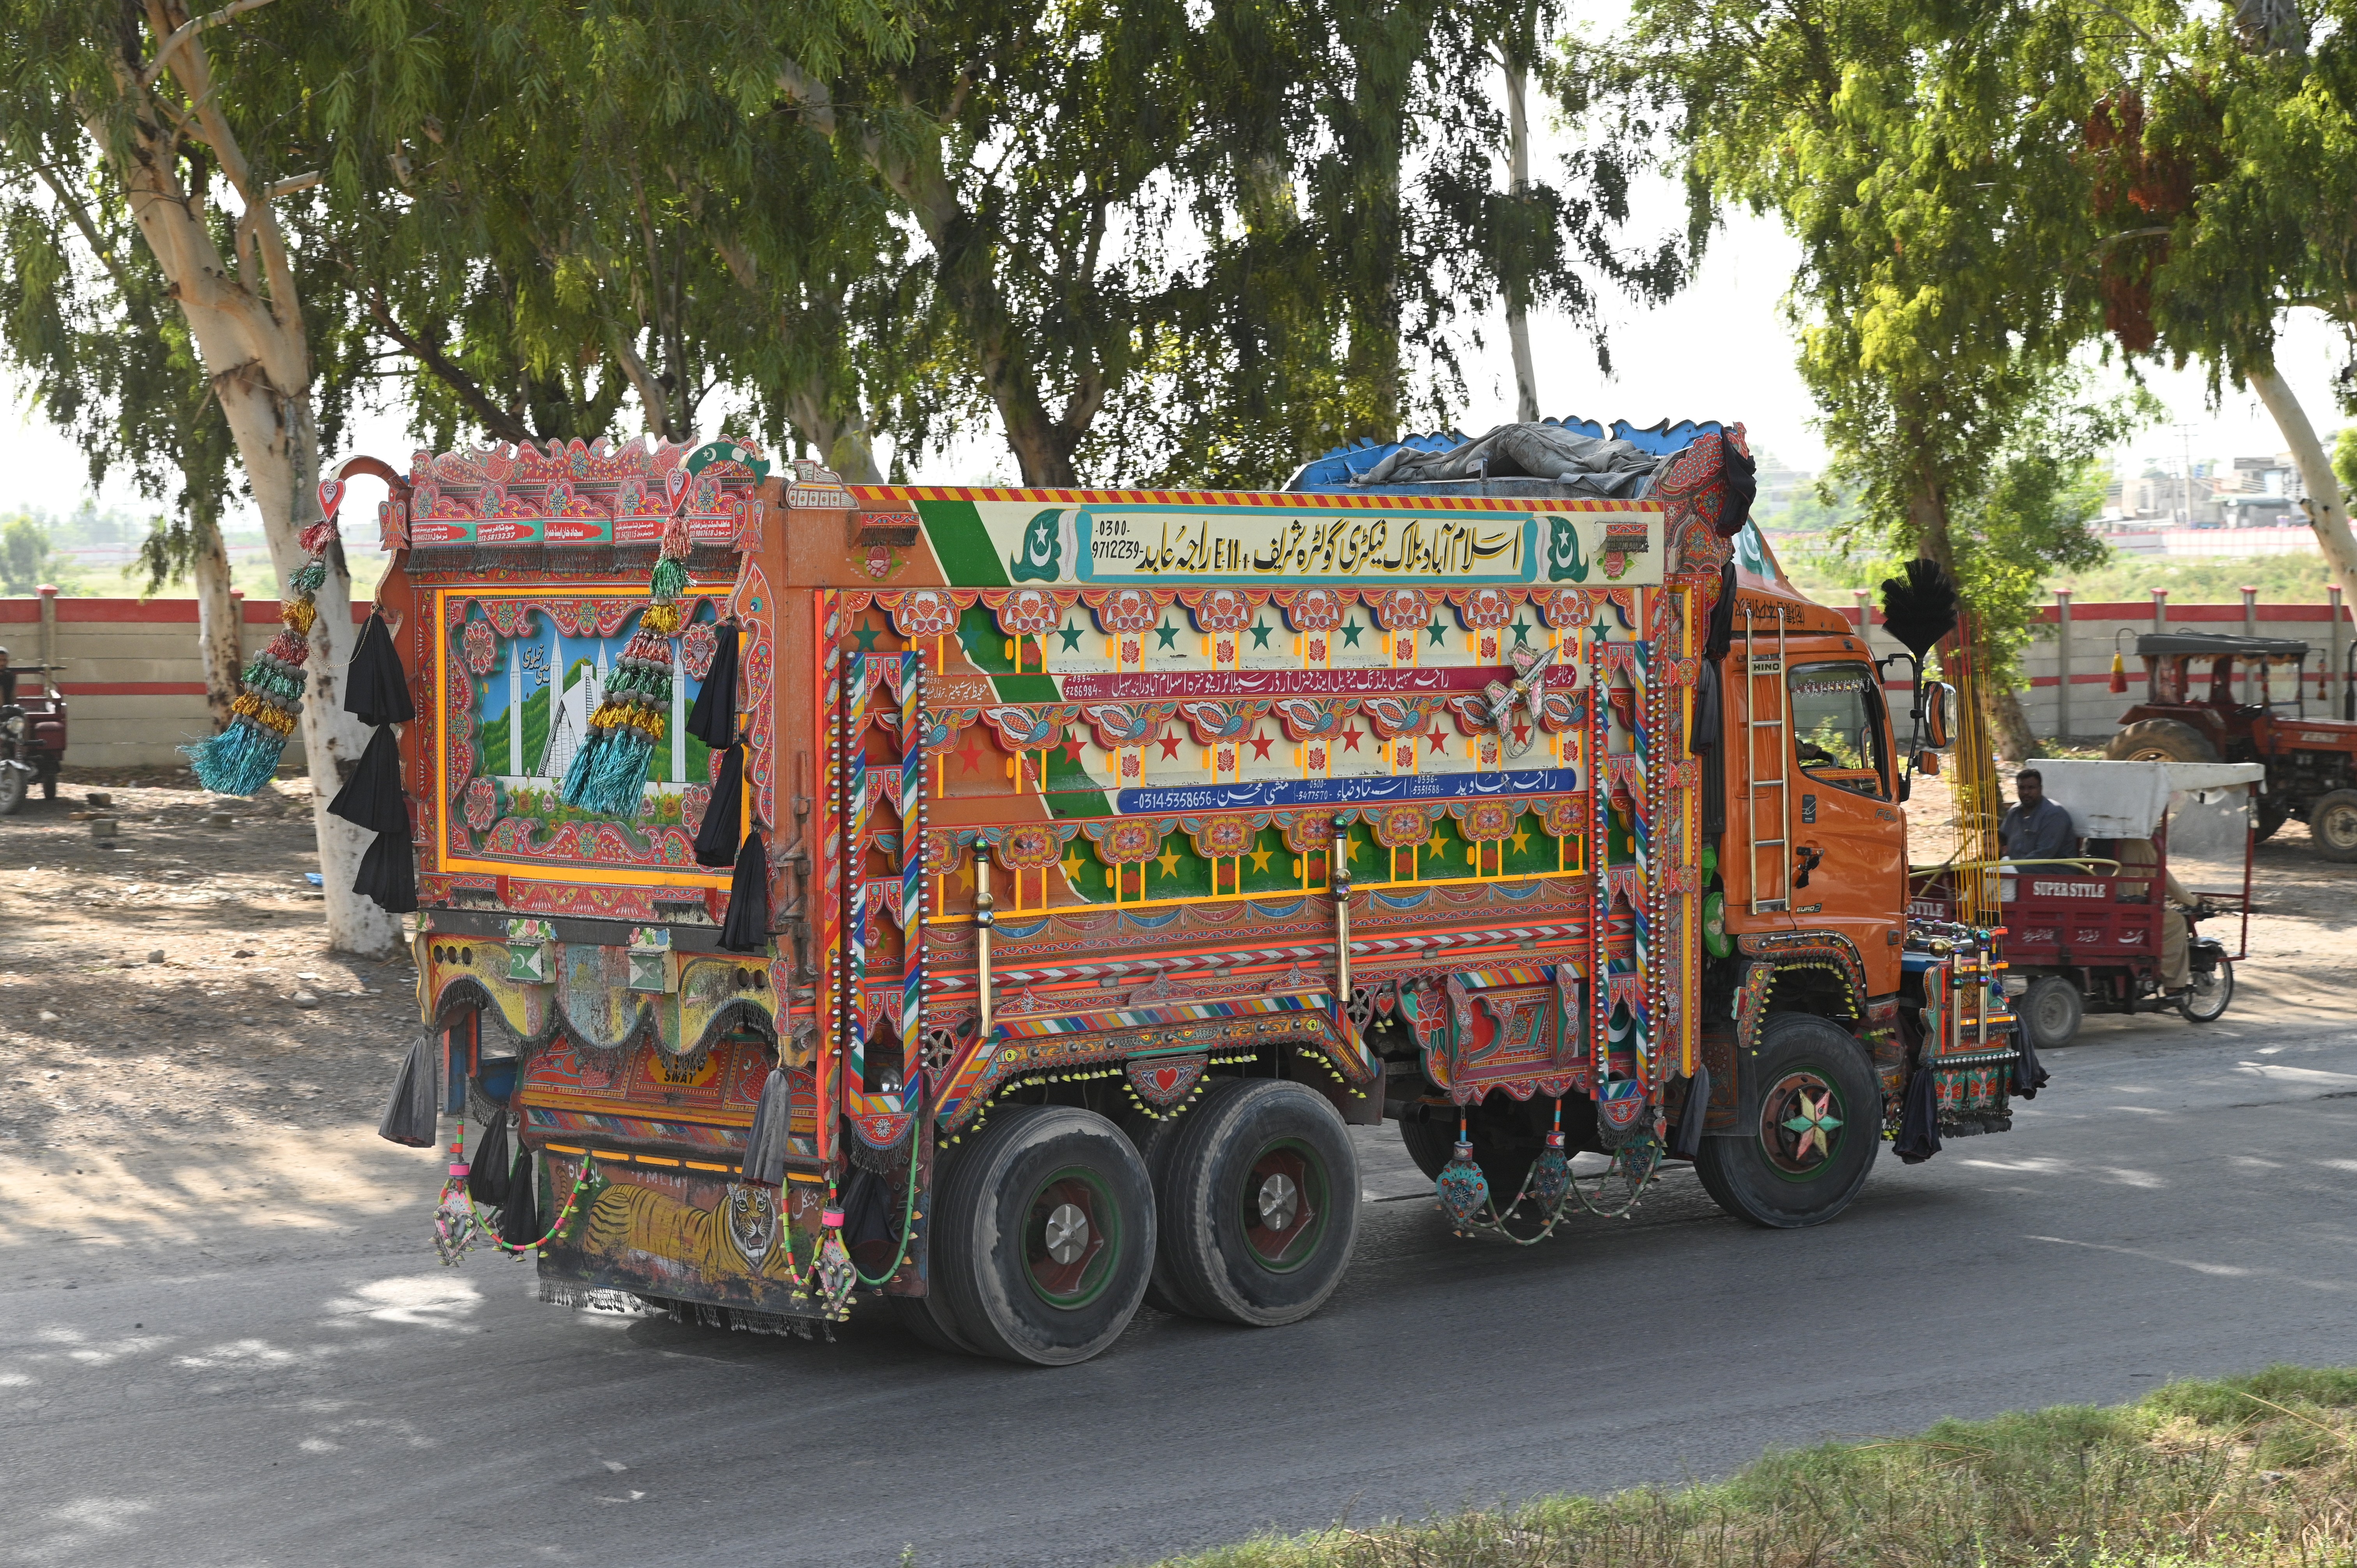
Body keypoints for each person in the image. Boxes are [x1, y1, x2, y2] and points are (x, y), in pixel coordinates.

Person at [2112, 837, 2195, 997]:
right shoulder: (2138, 843)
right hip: (2128, 909)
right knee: (2177, 922)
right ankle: (2173, 984)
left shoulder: (2101, 839)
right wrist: (2191, 900)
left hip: (2106, 902)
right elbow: (2163, 879)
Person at [1998, 768, 2078, 863]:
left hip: (2052, 870)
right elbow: (2000, 843)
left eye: (2031, 788)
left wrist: (2011, 868)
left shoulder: (2055, 814)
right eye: (2022, 788)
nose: (2026, 792)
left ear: (2040, 789)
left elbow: (2044, 854)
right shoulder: (2014, 812)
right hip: (2018, 868)